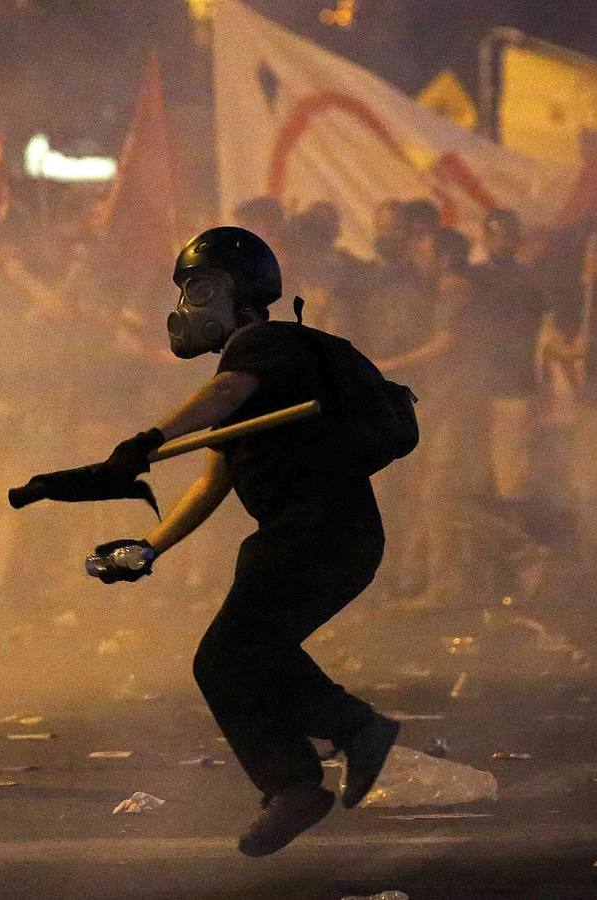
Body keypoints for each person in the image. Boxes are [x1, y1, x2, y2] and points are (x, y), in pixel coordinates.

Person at [86, 226, 400, 856]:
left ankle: (339, 745)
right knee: (237, 656)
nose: (186, 304)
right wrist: (150, 548)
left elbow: (225, 391)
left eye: (199, 287)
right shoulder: (253, 377)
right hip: (308, 538)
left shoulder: (265, 343)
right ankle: (303, 777)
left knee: (233, 654)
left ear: (241, 291)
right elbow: (213, 482)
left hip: (321, 532)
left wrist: (147, 439)